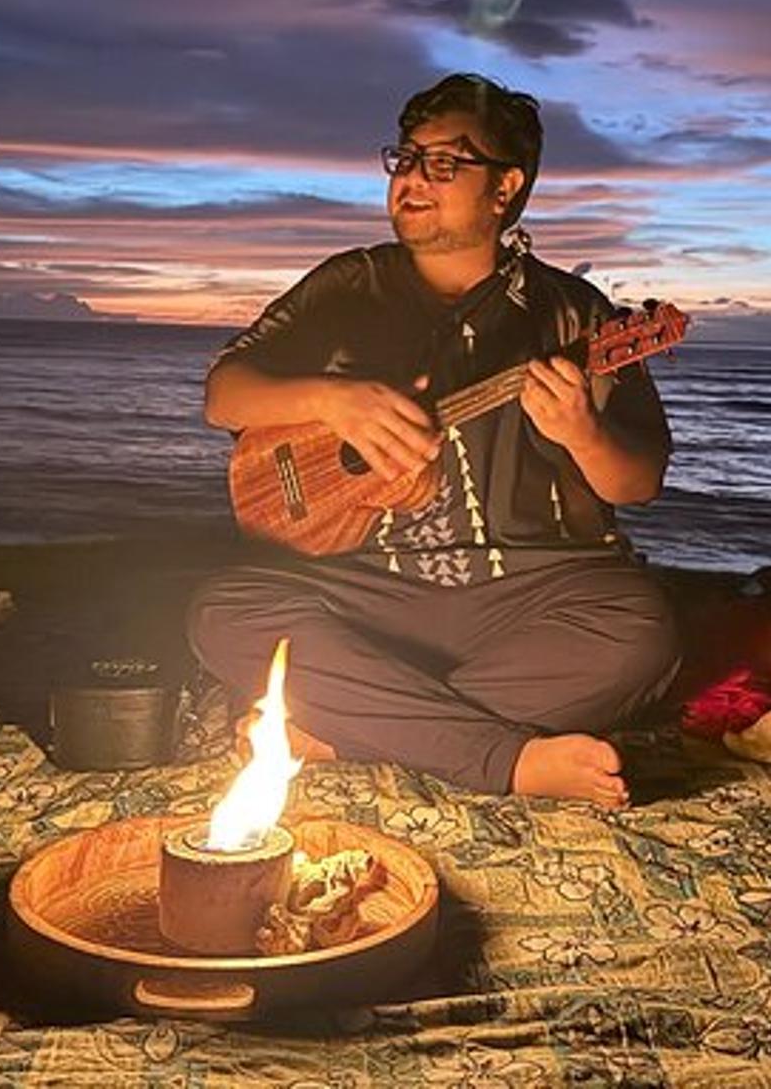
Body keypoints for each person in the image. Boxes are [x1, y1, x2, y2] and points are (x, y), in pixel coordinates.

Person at [186, 73, 678, 806]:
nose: (413, 179)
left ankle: (339, 726)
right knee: (220, 611)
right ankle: (505, 760)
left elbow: (637, 481)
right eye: (406, 158)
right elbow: (225, 394)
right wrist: (328, 397)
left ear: (505, 187)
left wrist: (583, 431)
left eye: (444, 164)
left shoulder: (578, 313)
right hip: (370, 586)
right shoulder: (349, 284)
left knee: (644, 635)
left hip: (535, 589)